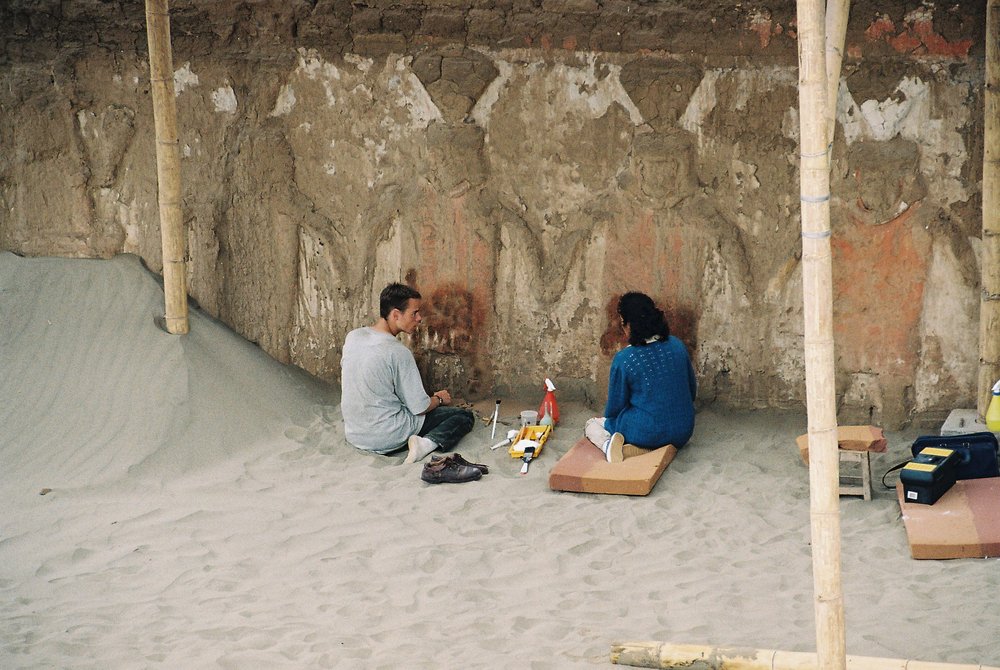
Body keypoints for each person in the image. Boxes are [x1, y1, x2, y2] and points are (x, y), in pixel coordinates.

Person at [341, 282, 475, 463]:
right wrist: (439, 399)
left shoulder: (354, 337)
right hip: (388, 436)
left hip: (356, 434)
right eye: (414, 313)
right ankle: (425, 445)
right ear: (396, 314)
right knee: (463, 417)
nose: (419, 318)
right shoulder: (398, 352)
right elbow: (419, 407)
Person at [585, 292, 696, 462]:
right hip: (684, 431)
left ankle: (608, 446)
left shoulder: (624, 359)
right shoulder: (677, 345)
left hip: (646, 432)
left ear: (628, 325)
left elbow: (614, 408)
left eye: (623, 323)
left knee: (592, 424)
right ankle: (641, 447)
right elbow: (691, 391)